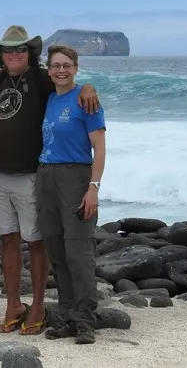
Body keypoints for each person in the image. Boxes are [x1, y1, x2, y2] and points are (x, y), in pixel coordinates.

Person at [0, 25, 101, 335]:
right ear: (0, 54)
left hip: (41, 176)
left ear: (31, 53)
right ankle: (28, 308)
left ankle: (55, 311)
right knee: (22, 242)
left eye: (21, 48)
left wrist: (89, 85)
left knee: (52, 245)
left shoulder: (42, 79)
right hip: (13, 175)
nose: (14, 53)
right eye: (8, 49)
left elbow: (73, 91)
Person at [37, 45, 106, 345]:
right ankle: (67, 315)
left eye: (66, 65)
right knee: (57, 251)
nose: (61, 70)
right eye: (55, 65)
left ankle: (85, 320)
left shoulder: (86, 100)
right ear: (49, 70)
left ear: (76, 68)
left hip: (76, 176)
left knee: (79, 252)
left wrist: (94, 187)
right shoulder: (51, 98)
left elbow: (100, 149)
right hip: (46, 176)